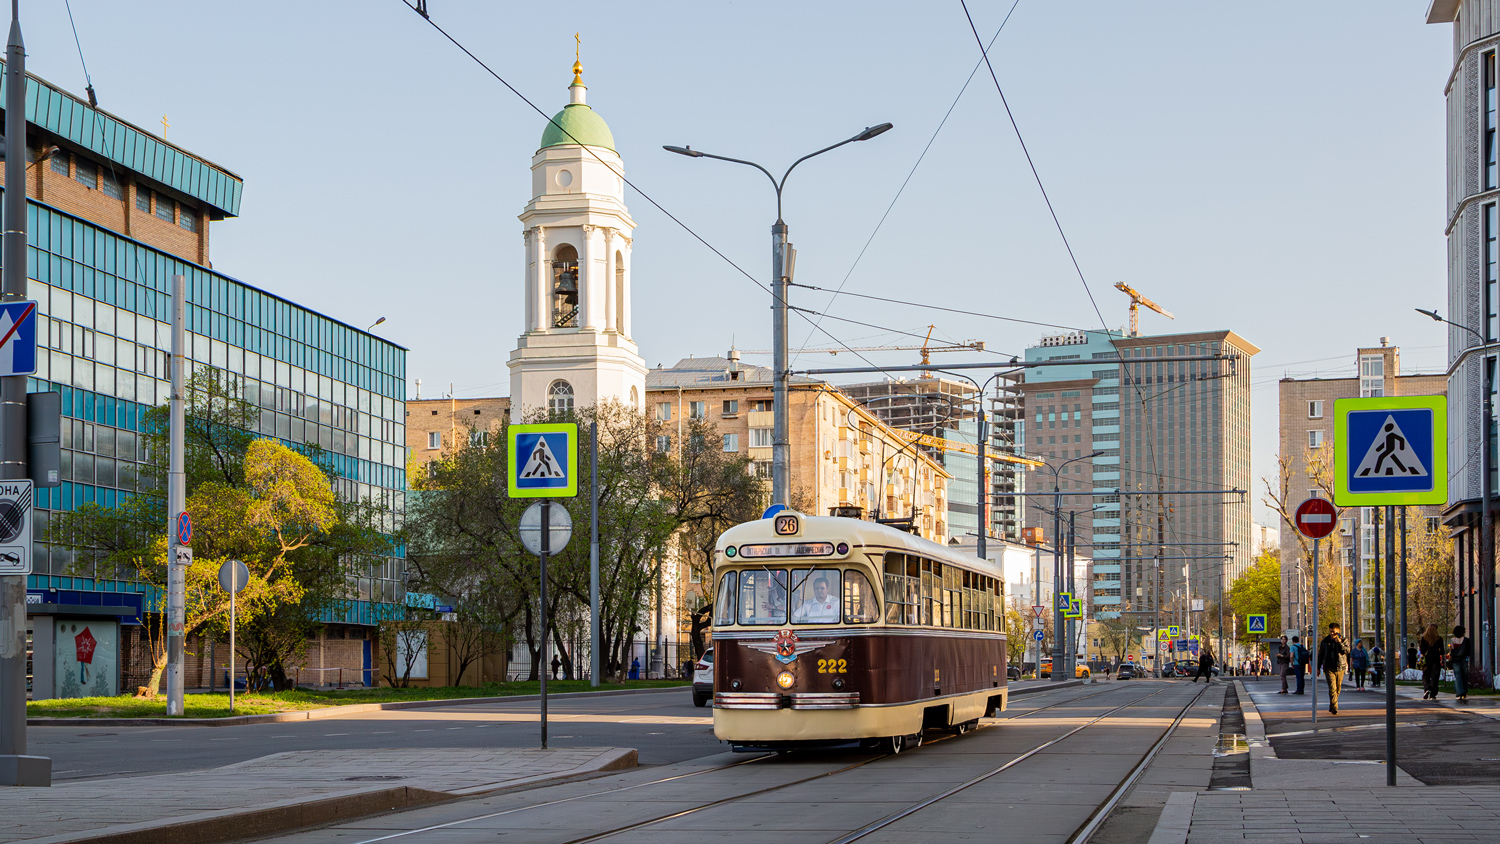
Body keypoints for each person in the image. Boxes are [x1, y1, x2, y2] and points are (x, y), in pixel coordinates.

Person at [1317, 622, 1350, 715]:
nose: (1332, 634)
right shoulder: (1325, 641)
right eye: (1331, 631)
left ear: (1338, 631)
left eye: (1334, 632)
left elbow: (1346, 651)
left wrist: (1338, 642)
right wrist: (1318, 667)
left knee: (1338, 689)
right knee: (1332, 688)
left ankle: (1332, 705)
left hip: (1340, 667)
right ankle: (1335, 707)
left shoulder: (1343, 640)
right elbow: (1321, 655)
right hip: (1329, 667)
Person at [1419, 624, 1445, 700]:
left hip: (1427, 659)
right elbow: (1442, 650)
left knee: (1426, 676)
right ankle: (1433, 694)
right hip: (1436, 660)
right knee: (1435, 677)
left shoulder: (1424, 638)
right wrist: (1442, 658)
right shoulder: (1439, 639)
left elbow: (1422, 650)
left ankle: (1427, 688)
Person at [1450, 625, 1474, 703]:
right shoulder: (1466, 640)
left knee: (1458, 676)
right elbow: (1469, 650)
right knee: (1464, 675)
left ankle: (1459, 692)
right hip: (1463, 659)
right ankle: (1464, 691)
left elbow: (1452, 650)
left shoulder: (1453, 640)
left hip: (1455, 660)